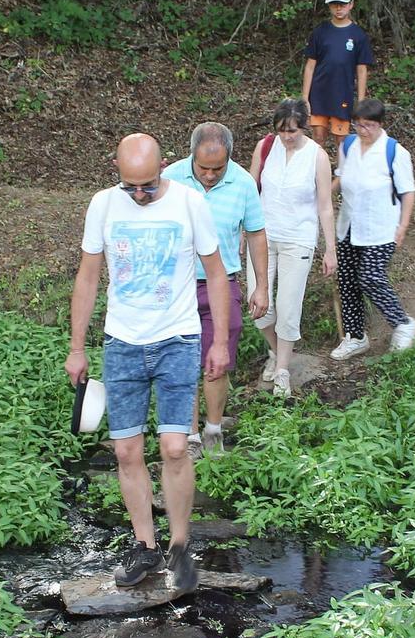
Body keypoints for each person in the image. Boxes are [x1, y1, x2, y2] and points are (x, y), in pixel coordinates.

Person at [66, 133, 230, 592]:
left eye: (148, 186)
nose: (139, 194)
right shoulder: (102, 205)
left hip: (178, 338)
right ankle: (145, 547)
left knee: (175, 448)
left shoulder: (190, 203)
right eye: (130, 186)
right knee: (125, 450)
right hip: (122, 343)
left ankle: (180, 549)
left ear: (164, 170)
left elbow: (216, 274)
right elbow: (88, 277)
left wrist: (218, 342)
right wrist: (77, 347)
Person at [162, 123, 268, 458]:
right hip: (176, 286)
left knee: (217, 360)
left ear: (230, 160)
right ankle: (190, 434)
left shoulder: (243, 183)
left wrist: (261, 285)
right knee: (182, 362)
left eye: (217, 169)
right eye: (203, 168)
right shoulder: (170, 178)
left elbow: (256, 234)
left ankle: (213, 430)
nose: (209, 175)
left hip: (222, 285)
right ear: (191, 156)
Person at [249, 99, 337, 398]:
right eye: (282, 130)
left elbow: (325, 206)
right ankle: (276, 352)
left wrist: (330, 249)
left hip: (298, 237)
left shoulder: (317, 157)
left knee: (288, 306)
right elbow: (251, 191)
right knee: (259, 306)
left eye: (293, 131)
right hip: (261, 236)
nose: (287, 136)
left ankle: (283, 369)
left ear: (305, 127)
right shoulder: (265, 147)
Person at [329, 98, 415, 360]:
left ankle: (402, 323)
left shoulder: (394, 152)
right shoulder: (348, 145)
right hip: (348, 224)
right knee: (347, 281)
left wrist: (403, 226)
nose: (362, 130)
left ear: (380, 124)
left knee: (370, 276)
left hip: (381, 227)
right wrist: (322, 196)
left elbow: (408, 191)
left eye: (368, 125)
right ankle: (355, 336)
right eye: (358, 124)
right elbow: (341, 177)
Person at [301, 0, 375, 149]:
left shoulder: (358, 35)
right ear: (329, 6)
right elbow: (310, 66)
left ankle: (340, 172)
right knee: (318, 137)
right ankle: (319, 171)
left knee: (341, 141)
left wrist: (361, 101)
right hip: (319, 93)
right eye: (334, 5)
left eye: (342, 4)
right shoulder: (320, 32)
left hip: (342, 94)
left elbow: (361, 70)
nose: (339, 8)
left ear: (351, 4)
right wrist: (305, 97)